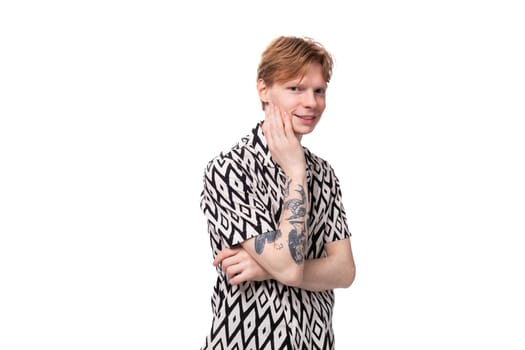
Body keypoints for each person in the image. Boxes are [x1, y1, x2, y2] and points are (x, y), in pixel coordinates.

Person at [199, 36, 356, 350]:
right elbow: (288, 266)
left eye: (319, 90)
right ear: (263, 89)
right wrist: (296, 173)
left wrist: (264, 268)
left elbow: (345, 270)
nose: (311, 102)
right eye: (295, 88)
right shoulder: (229, 169)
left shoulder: (324, 173)